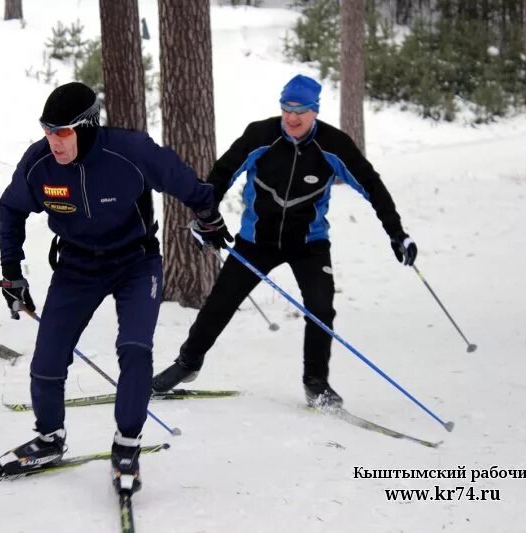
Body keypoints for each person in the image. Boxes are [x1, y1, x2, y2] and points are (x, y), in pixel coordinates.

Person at [0, 82, 223, 492]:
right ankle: (49, 438)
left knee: (134, 350)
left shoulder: (129, 151)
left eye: (62, 131)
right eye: (47, 130)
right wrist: (11, 271)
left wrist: (207, 213)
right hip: (77, 266)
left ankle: (126, 446)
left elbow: (178, 177)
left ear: (86, 127)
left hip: (136, 262)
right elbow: (10, 209)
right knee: (47, 358)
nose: (53, 141)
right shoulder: (38, 164)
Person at [152, 74, 417, 408]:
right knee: (220, 302)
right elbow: (222, 174)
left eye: (301, 110)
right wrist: (205, 218)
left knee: (321, 308)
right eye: (286, 109)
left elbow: (372, 186)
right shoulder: (260, 135)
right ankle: (188, 363)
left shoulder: (334, 146)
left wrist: (397, 233)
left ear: (315, 112)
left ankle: (316, 383)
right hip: (256, 240)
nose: (292, 118)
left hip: (309, 242)